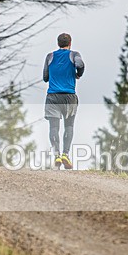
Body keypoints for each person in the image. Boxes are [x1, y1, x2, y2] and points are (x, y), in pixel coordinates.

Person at [43, 33, 85, 169]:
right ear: (70, 43)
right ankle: (66, 154)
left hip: (53, 97)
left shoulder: (50, 56)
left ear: (58, 43)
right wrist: (78, 74)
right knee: (69, 126)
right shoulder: (74, 55)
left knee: (54, 127)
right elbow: (80, 64)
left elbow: (45, 77)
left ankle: (57, 155)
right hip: (69, 96)